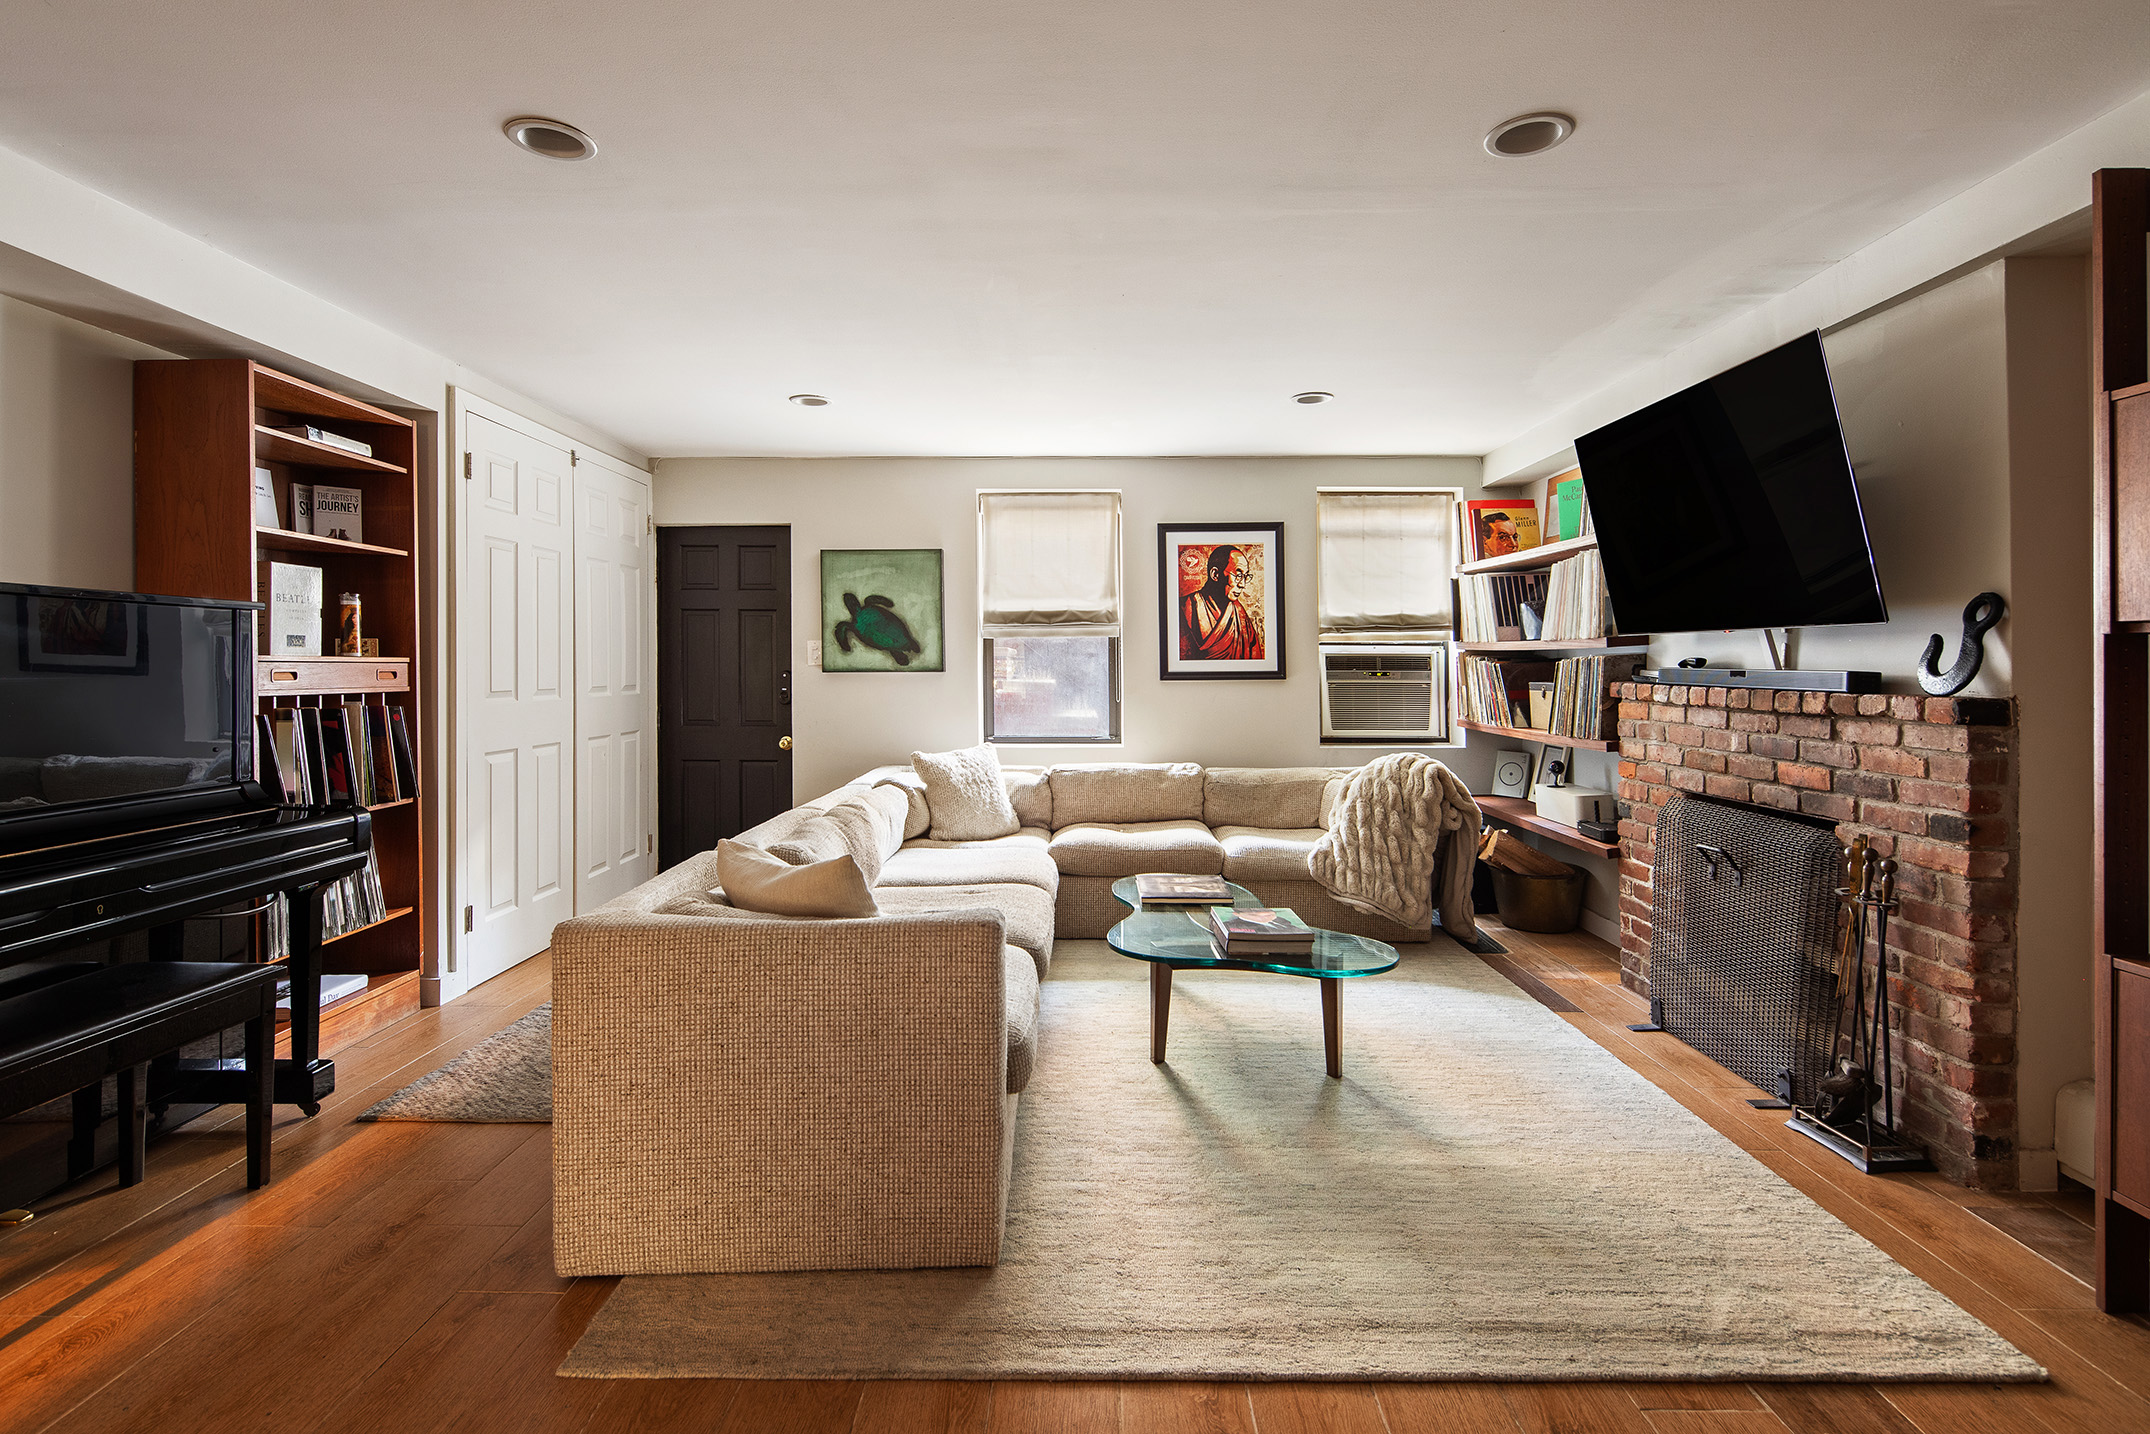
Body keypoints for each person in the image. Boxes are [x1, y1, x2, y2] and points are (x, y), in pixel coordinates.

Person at [1180, 544, 1262, 660]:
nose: (1242, 584)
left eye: (1245, 576)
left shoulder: (1241, 617)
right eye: (1238, 576)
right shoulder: (1186, 607)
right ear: (1215, 574)